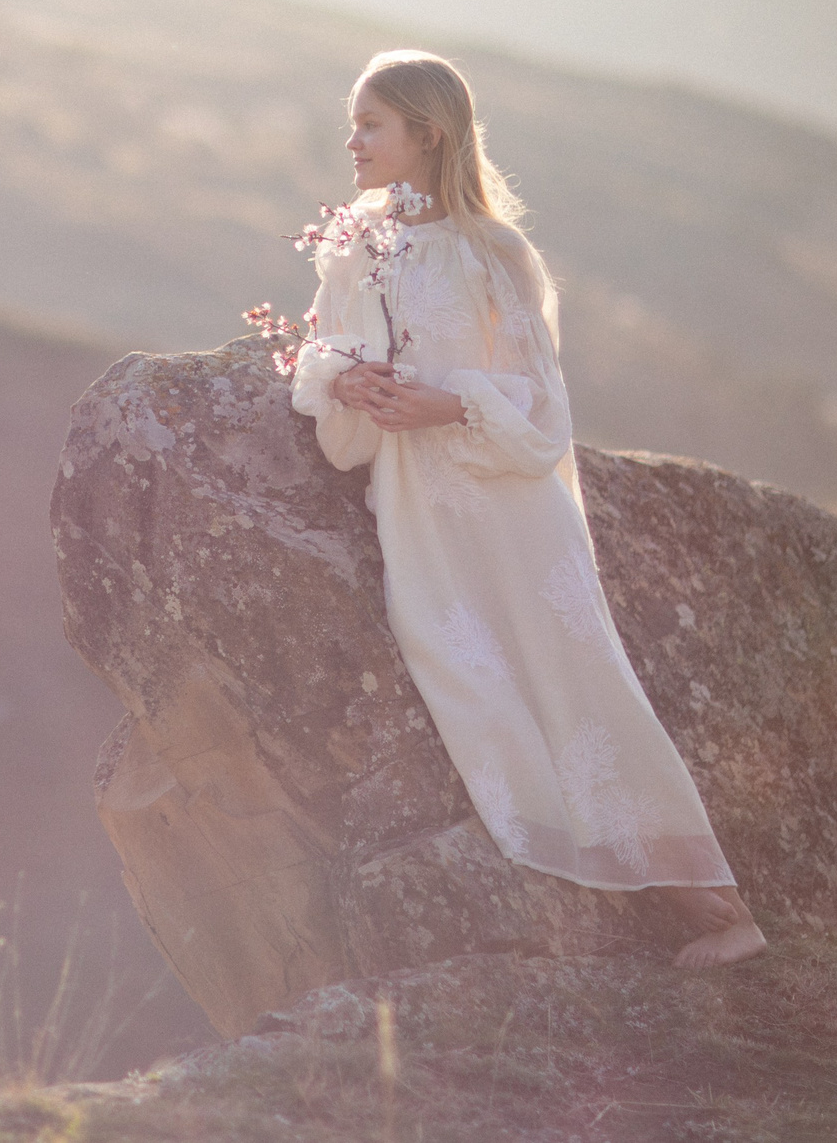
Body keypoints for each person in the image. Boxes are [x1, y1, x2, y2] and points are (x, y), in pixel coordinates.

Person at [291, 49, 766, 970]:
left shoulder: (496, 251)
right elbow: (317, 356)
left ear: (425, 133)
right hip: (420, 512)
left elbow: (542, 412)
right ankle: (585, 906)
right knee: (469, 680)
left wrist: (447, 402)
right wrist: (347, 376)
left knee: (581, 690)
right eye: (353, 122)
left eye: (370, 124)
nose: (351, 140)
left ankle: (722, 913)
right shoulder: (353, 237)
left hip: (512, 511)